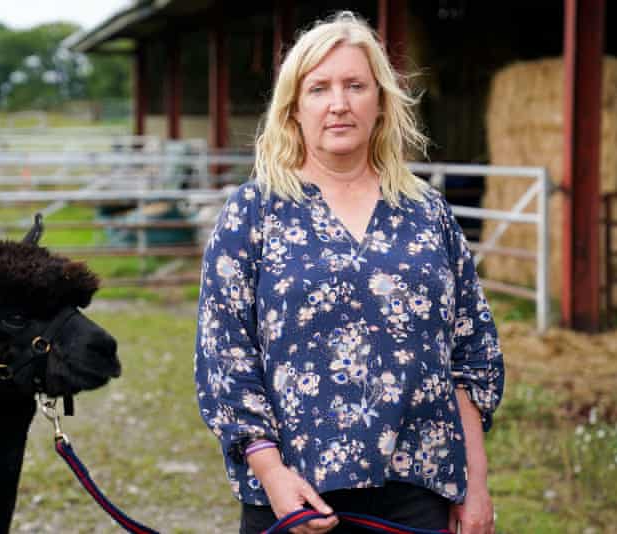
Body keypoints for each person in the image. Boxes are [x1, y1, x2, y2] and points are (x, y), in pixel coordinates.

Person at [194, 11, 504, 534]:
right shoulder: (253, 212)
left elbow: (469, 355)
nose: (338, 103)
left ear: (380, 103)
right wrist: (271, 475)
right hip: (297, 493)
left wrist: (475, 481)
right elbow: (225, 356)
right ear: (294, 109)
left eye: (355, 85)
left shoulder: (428, 215)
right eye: (319, 88)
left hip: (419, 492)